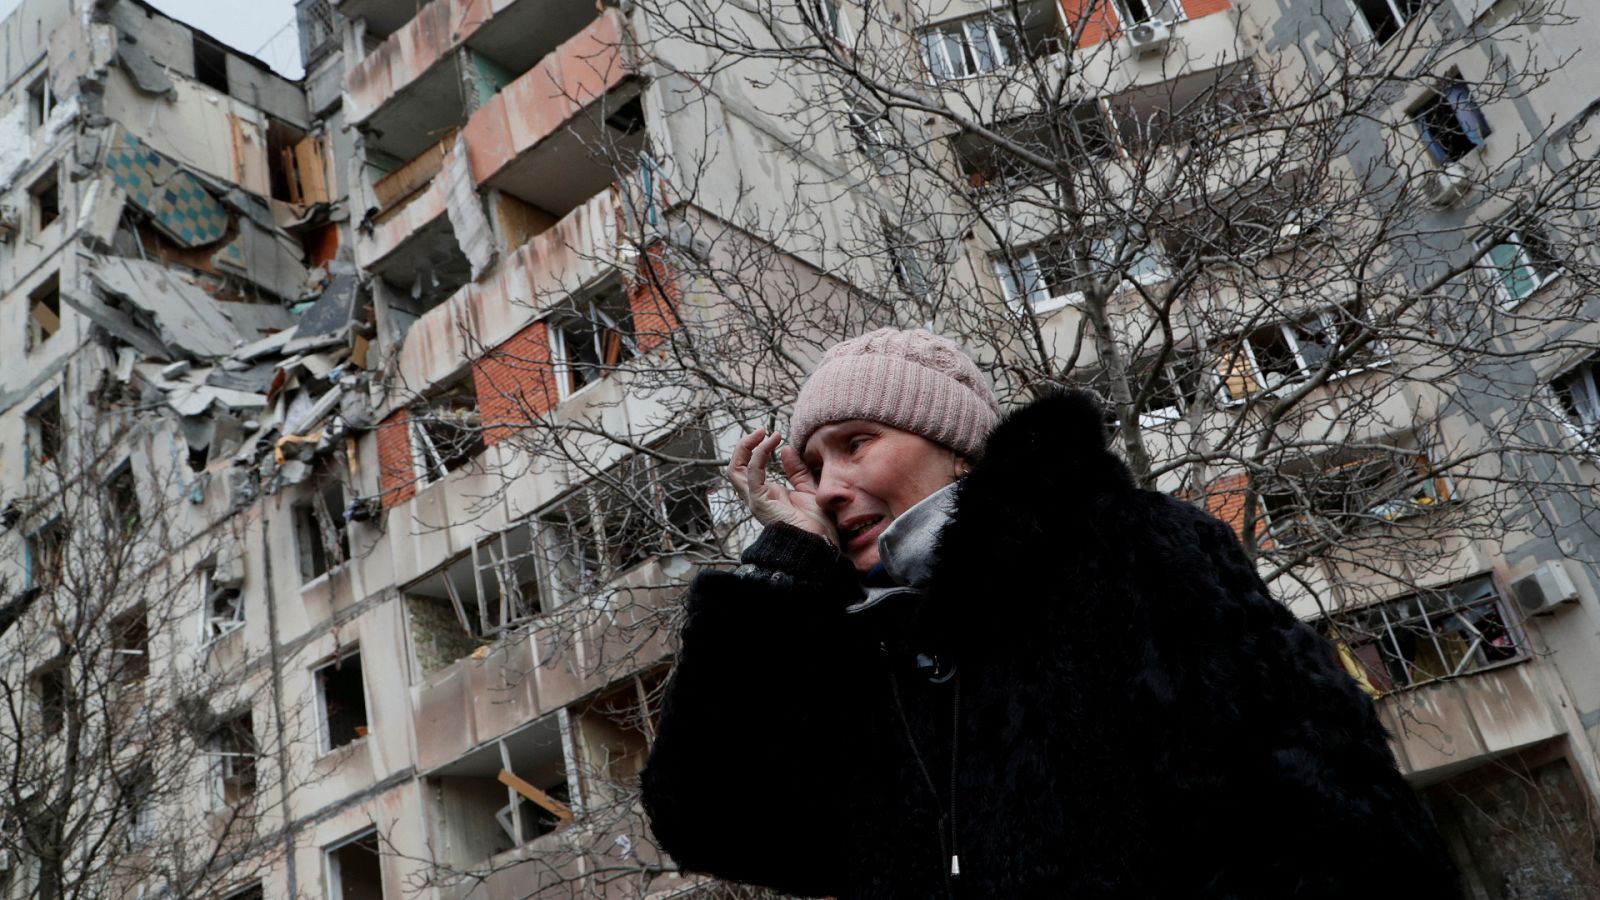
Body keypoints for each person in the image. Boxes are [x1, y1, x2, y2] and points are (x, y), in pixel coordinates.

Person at [640, 328, 1460, 899]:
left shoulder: (1125, 549)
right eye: (814, 462)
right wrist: (783, 577)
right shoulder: (856, 644)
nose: (825, 485)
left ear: (955, 443)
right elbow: (714, 824)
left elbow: (1330, 813)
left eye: (857, 443)